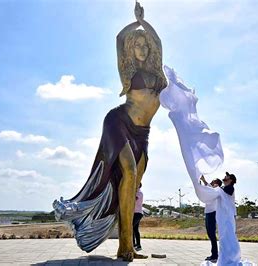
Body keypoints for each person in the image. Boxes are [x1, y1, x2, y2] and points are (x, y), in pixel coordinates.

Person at [52, 2, 166, 262]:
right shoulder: (129, 71)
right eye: (137, 44)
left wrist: (146, 25)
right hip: (118, 122)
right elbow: (119, 38)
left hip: (142, 133)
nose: (142, 48)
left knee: (132, 185)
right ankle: (125, 247)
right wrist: (136, 22)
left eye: (144, 45)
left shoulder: (156, 73)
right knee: (129, 171)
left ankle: (127, 244)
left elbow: (158, 42)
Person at [200, 176, 222, 262]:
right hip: (208, 213)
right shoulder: (212, 190)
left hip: (212, 213)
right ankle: (214, 254)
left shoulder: (216, 191)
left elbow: (208, 186)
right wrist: (203, 180)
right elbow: (207, 186)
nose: (212, 181)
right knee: (210, 234)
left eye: (214, 181)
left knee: (212, 234)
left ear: (217, 184)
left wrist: (203, 180)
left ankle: (214, 255)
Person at [133, 183, 144, 251]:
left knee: (131, 228)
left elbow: (134, 199)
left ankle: (134, 244)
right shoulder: (137, 192)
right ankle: (138, 245)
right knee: (135, 229)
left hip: (138, 213)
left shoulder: (139, 193)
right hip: (135, 213)